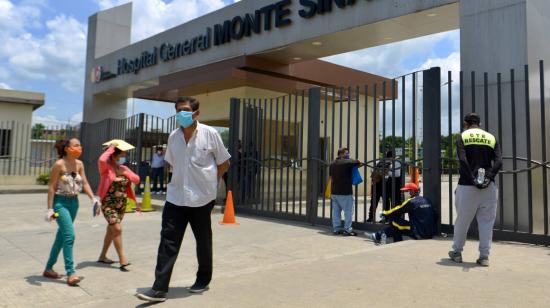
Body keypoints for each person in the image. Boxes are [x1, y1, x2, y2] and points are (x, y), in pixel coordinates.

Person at [137, 96, 231, 302]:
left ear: (196, 113)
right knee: (168, 241)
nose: (181, 114)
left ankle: (203, 279)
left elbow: (224, 162)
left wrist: (212, 183)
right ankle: (159, 288)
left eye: (186, 110)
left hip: (202, 198)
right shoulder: (173, 137)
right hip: (176, 197)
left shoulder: (210, 134)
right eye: (179, 110)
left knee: (203, 241)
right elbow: (171, 163)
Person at [43, 138, 99, 286]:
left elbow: (85, 182)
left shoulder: (79, 164)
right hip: (60, 203)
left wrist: (93, 199)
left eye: (80, 145)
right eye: (76, 145)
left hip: (74, 203)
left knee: (61, 238)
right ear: (67, 148)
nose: (79, 148)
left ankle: (49, 268)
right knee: (69, 236)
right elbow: (51, 187)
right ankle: (70, 272)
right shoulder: (59, 165)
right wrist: (50, 209)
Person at [448, 113, 502, 267]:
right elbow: (499, 161)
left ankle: (457, 253)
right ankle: (484, 256)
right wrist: (488, 177)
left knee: (462, 221)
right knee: (486, 223)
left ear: (465, 123)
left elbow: (463, 161)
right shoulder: (491, 138)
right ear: (480, 123)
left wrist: (472, 179)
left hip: (467, 186)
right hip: (489, 188)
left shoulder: (463, 137)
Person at [96, 140, 140, 272]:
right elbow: (102, 160)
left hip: (121, 205)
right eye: (121, 153)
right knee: (117, 229)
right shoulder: (105, 168)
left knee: (112, 231)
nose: (123, 156)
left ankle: (102, 256)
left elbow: (137, 179)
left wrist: (125, 173)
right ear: (115, 154)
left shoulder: (124, 168)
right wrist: (111, 148)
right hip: (108, 204)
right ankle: (122, 259)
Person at [366, 183, 436, 244]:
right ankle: (378, 236)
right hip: (430, 232)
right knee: (397, 227)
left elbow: (398, 209)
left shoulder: (411, 202)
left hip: (418, 233)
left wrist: (384, 213)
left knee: (392, 219)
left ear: (412, 192)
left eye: (406, 191)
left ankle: (378, 235)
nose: (405, 193)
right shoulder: (426, 199)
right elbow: (435, 215)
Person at [329, 147, 363, 236]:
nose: (347, 155)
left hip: (334, 192)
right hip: (345, 192)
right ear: (341, 154)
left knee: (336, 212)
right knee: (348, 211)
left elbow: (331, 176)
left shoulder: (332, 163)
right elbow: (357, 161)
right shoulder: (347, 162)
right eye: (346, 153)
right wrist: (357, 163)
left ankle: (336, 229)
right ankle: (348, 229)